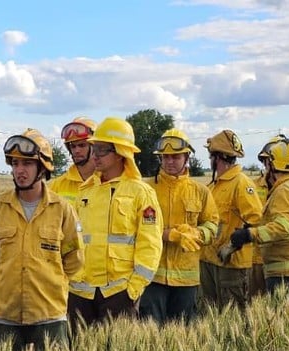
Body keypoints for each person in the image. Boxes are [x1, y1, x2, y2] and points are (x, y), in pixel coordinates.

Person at [0, 129, 84, 351]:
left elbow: (74, 258)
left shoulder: (62, 210)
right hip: (5, 314)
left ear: (42, 168)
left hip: (49, 314)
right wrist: (3, 279)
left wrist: (53, 282)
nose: (19, 170)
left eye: (26, 164)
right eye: (15, 164)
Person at [68, 117, 163, 326]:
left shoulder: (141, 193)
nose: (96, 155)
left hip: (119, 293)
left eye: (103, 150)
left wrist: (133, 290)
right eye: (94, 148)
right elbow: (72, 238)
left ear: (121, 153)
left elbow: (150, 245)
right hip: (81, 292)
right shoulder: (85, 191)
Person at [139, 129, 218, 324]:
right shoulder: (146, 188)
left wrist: (197, 233)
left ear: (187, 157)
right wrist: (169, 235)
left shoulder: (200, 191)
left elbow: (213, 225)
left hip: (187, 279)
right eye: (165, 157)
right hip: (152, 276)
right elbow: (135, 227)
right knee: (150, 335)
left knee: (182, 334)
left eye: (175, 157)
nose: (170, 162)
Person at [230, 137, 289, 292]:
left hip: (286, 268)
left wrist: (249, 234)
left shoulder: (284, 190)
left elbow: (283, 227)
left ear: (273, 165)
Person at [198, 130, 263, 310]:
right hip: (209, 261)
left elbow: (256, 221)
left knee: (233, 316)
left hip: (231, 266)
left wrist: (233, 246)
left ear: (217, 158)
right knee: (209, 317)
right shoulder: (213, 186)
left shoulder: (242, 184)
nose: (210, 160)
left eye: (211, 155)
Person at [249, 134, 289, 298]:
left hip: (284, 261)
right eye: (268, 161)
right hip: (255, 260)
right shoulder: (252, 186)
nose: (270, 166)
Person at [49, 116, 98, 204]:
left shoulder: (107, 181)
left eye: (82, 145)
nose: (76, 151)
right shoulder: (56, 186)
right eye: (73, 146)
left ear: (95, 147)